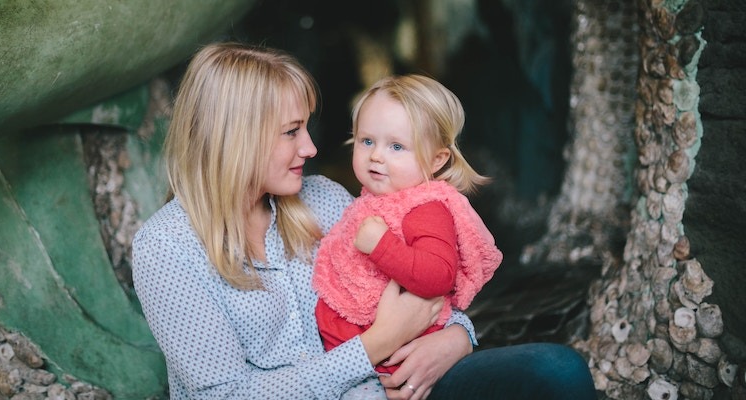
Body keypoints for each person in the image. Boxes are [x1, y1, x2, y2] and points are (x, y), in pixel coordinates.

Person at [131, 41, 598, 400]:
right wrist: (374, 346)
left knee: (557, 371)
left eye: (306, 128)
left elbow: (424, 285)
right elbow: (226, 395)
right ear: (236, 138)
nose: (311, 149)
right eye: (292, 132)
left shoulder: (328, 201)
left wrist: (456, 340)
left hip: (388, 387)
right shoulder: (167, 247)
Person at [312, 74, 503, 380]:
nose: (376, 155)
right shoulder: (373, 200)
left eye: (397, 147)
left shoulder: (425, 208)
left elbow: (438, 277)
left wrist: (382, 246)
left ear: (437, 160)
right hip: (355, 355)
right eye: (367, 141)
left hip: (396, 362)